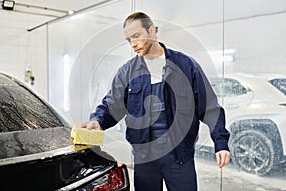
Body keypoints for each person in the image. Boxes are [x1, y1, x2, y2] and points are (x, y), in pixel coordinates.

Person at [79, 11, 230, 191]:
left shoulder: (185, 66)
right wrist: (98, 121)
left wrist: (221, 143)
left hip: (179, 157)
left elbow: (210, 107)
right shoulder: (127, 72)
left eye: (136, 36)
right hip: (145, 159)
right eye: (128, 40)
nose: (133, 44)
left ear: (151, 30)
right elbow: (112, 104)